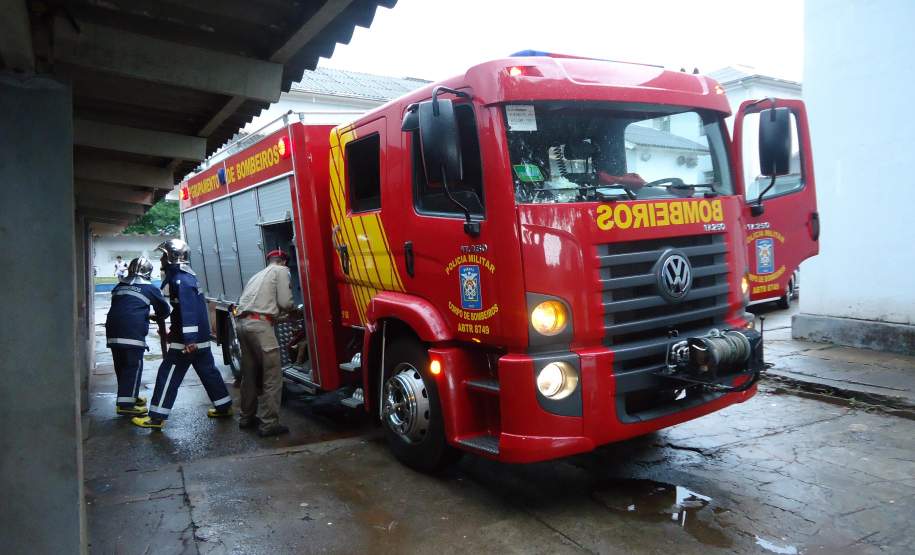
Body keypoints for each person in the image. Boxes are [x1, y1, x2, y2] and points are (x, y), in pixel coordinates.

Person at [132, 238, 233, 429]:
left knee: (167, 374)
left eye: (163, 255)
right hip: (198, 339)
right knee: (208, 372)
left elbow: (188, 312)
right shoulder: (183, 277)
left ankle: (156, 417)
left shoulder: (181, 280)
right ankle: (223, 406)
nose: (161, 259)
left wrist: (189, 340)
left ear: (172, 257)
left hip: (187, 342)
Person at [235, 249, 295, 437]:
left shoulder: (257, 275)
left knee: (249, 374)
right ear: (284, 261)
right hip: (261, 328)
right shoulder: (282, 271)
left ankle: (246, 417)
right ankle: (270, 423)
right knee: (272, 376)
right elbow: (285, 302)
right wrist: (293, 310)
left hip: (243, 325)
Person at [105, 257, 170, 416]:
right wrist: (157, 315)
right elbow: (165, 310)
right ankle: (126, 405)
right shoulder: (149, 288)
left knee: (121, 365)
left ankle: (128, 396)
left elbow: (125, 305)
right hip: (131, 332)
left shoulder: (119, 286)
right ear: (148, 272)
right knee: (133, 366)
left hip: (113, 330)